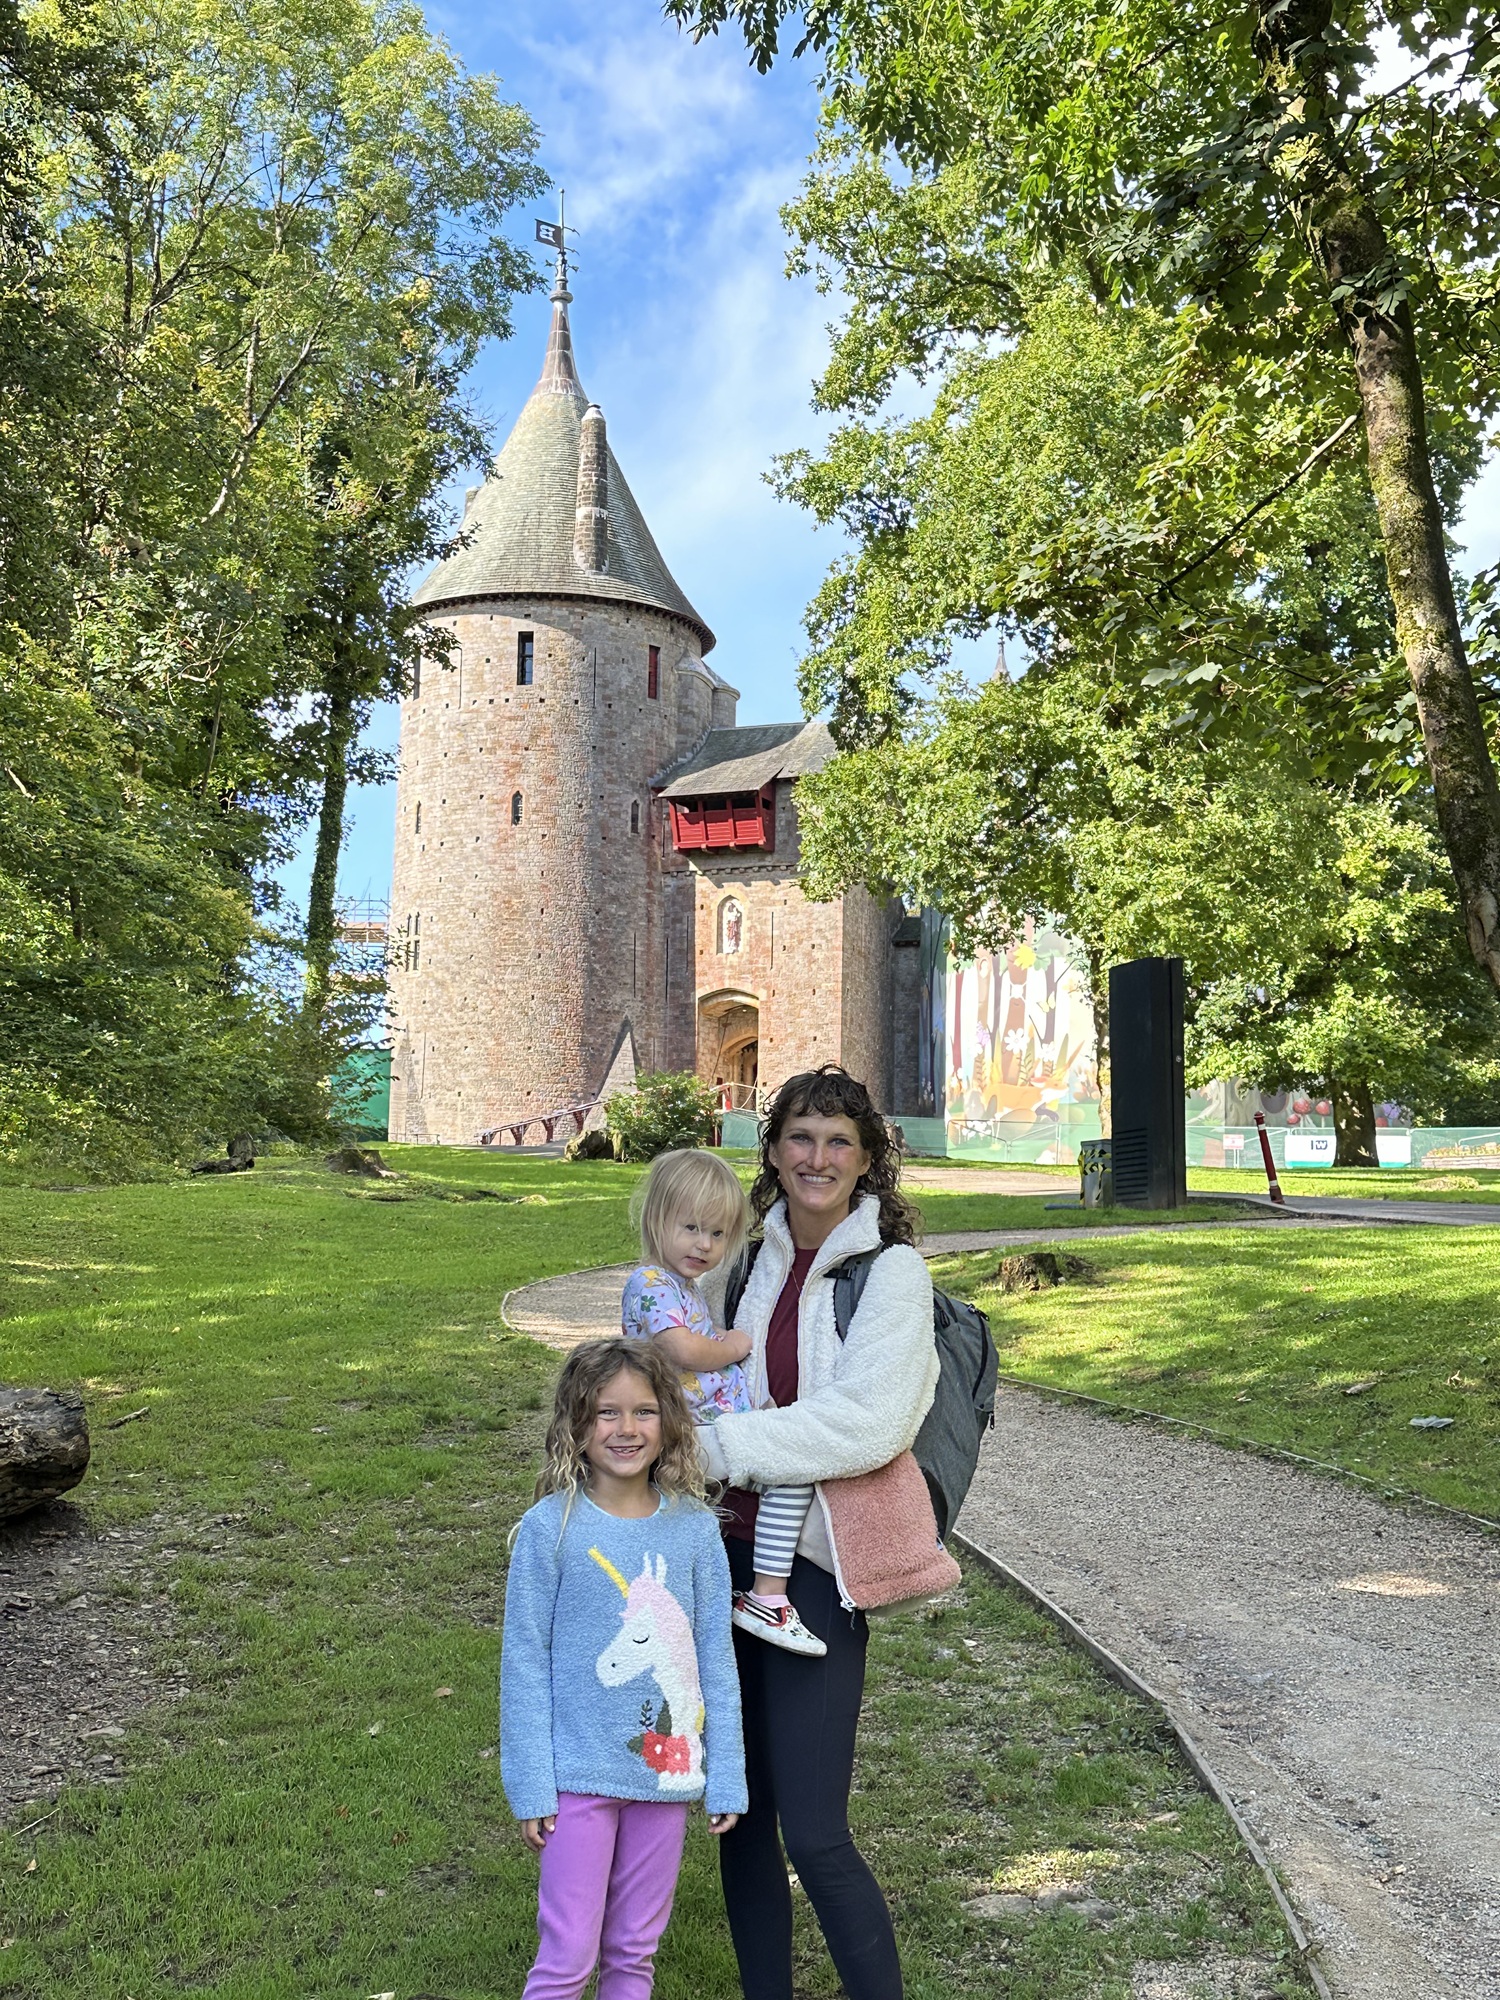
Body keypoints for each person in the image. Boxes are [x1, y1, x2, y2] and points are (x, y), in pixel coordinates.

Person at [695, 1065, 943, 2000]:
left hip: (808, 1573)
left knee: (815, 1827)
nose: (818, 1157)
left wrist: (716, 1446)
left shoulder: (892, 1274)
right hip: (718, 1558)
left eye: (840, 1141)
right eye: (801, 1136)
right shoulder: (743, 1261)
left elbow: (868, 1422)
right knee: (742, 1814)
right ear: (771, 1150)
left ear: (869, 1160)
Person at [500, 1338, 746, 2000]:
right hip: (575, 1777)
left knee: (634, 1953)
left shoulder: (696, 1532)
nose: (627, 1429)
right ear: (575, 1426)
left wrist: (725, 1775)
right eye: (607, 1412)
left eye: (643, 1411)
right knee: (568, 1959)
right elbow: (523, 1662)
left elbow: (714, 1661)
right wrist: (531, 1784)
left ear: (669, 1422)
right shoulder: (549, 1529)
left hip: (663, 1778)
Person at [620, 1147, 826, 1657]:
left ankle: (720, 1599)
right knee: (793, 1469)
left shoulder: (682, 1286)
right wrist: (734, 1343)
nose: (703, 1244)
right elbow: (679, 1349)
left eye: (716, 1234)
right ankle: (768, 1595)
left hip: (714, 1423)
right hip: (694, 1429)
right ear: (655, 1218)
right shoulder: (649, 1283)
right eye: (690, 1227)